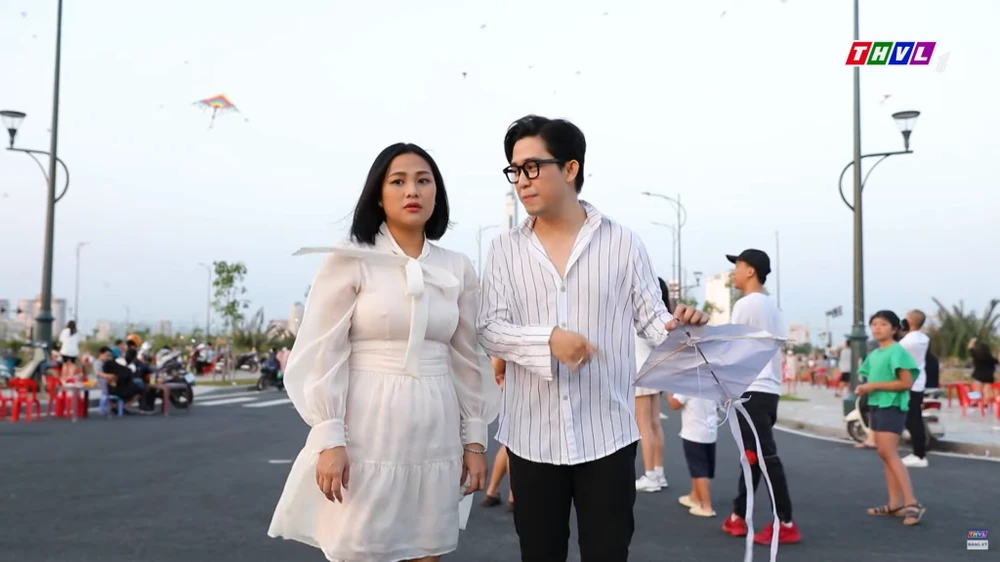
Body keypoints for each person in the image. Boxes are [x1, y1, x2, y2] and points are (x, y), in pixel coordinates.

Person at [476, 114, 708, 561]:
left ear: (570, 168)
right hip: (531, 437)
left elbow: (654, 322)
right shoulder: (504, 249)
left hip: (607, 435)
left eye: (532, 167)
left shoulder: (623, 243)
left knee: (607, 553)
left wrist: (684, 325)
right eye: (514, 170)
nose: (521, 181)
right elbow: (490, 329)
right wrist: (548, 340)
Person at [267, 142, 500, 562]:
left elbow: (468, 357)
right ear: (378, 194)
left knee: (427, 549)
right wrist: (329, 437)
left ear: (437, 193)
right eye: (398, 181)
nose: (412, 190)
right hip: (366, 428)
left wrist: (475, 441)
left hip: (436, 427)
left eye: (423, 181)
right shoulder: (351, 258)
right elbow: (323, 350)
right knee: (361, 546)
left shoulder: (456, 266)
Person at [721, 249, 801, 545]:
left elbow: (733, 348)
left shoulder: (746, 304)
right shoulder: (772, 307)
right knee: (752, 456)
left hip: (752, 389)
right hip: (768, 391)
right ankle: (738, 515)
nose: (734, 272)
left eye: (737, 266)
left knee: (764, 457)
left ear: (750, 271)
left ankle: (786, 522)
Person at [855, 310, 926, 526]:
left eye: (883, 324)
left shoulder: (898, 351)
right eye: (874, 324)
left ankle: (912, 503)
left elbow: (905, 383)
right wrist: (865, 388)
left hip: (892, 406)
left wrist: (873, 386)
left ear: (895, 329)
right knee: (885, 454)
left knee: (889, 453)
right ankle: (895, 504)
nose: (877, 328)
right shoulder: (875, 354)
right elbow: (871, 377)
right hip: (877, 406)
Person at [634, 277, 671, 493]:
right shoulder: (661, 319)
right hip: (653, 371)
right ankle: (658, 473)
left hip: (639, 372)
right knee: (655, 423)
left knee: (644, 426)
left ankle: (650, 476)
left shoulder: (642, 316)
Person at [666, 391, 719, 517]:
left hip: (693, 434)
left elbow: (675, 404)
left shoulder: (688, 387)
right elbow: (717, 406)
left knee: (699, 471)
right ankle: (695, 496)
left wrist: (669, 394)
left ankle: (706, 506)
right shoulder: (713, 386)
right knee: (700, 468)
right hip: (710, 433)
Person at [898, 310, 930, 468]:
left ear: (909, 320)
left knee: (913, 420)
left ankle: (919, 455)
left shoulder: (906, 342)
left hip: (909, 382)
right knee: (915, 417)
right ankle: (918, 453)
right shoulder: (924, 338)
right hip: (919, 381)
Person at [482, 356, 515, 511]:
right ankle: (514, 496)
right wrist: (496, 378)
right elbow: (497, 357)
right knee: (515, 444)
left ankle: (492, 491)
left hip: (512, 383)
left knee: (508, 442)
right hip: (517, 385)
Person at [968, 338, 998, 404]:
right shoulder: (991, 358)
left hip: (979, 376)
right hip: (989, 377)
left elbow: (970, 348)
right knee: (986, 390)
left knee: (976, 390)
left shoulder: (976, 356)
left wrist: (972, 341)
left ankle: (974, 402)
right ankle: (985, 403)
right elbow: (998, 361)